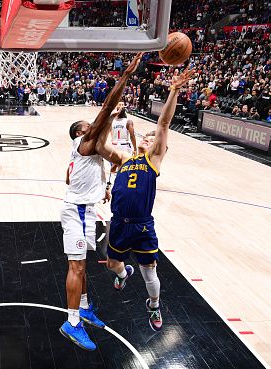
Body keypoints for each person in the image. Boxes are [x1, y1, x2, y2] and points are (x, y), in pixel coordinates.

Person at [95, 67, 195, 332]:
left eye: (152, 138)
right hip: (118, 223)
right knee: (114, 265)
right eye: (146, 136)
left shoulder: (154, 160)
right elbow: (99, 147)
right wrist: (109, 118)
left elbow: (163, 124)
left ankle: (153, 305)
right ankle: (122, 274)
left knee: (149, 269)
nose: (148, 138)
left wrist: (174, 90)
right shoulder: (125, 159)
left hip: (141, 225)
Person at [59, 53, 143, 351]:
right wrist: (125, 77)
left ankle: (82, 308)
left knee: (83, 266)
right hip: (77, 212)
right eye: (88, 123)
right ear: (82, 132)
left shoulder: (92, 148)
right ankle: (71, 322)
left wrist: (105, 184)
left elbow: (118, 157)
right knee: (77, 267)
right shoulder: (85, 141)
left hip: (85, 210)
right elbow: (105, 110)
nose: (91, 123)